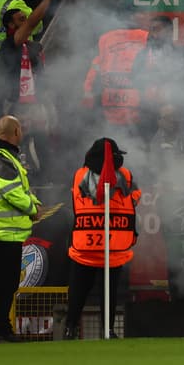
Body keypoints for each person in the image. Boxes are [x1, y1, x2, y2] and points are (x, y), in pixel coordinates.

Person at [64, 138, 140, 340]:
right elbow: (136, 197)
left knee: (78, 291)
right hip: (113, 244)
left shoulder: (80, 175)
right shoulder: (125, 175)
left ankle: (70, 329)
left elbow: (74, 200)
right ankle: (108, 330)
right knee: (109, 292)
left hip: (85, 243)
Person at [0, 115, 41, 342]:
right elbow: (12, 192)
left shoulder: (0, 156)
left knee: (4, 281)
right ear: (16, 132)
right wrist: (32, 208)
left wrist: (34, 204)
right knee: (0, 282)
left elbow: (18, 190)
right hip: (1, 231)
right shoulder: (2, 157)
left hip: (3, 231)